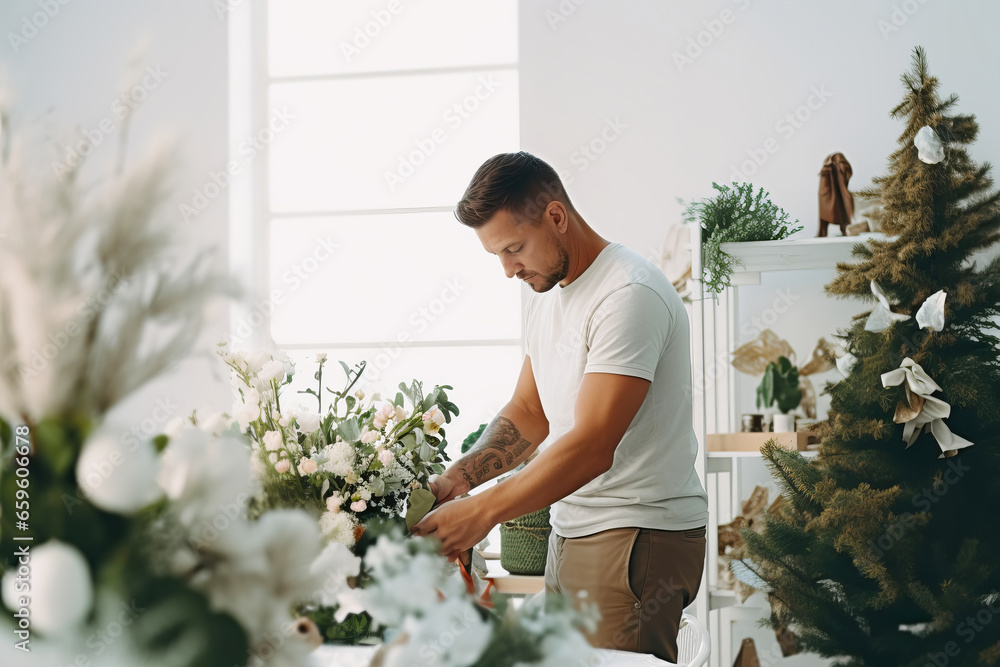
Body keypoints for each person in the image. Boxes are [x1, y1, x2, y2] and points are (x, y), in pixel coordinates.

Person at [411, 151, 708, 662]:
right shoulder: (547, 294)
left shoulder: (628, 294)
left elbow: (593, 445)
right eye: (497, 255)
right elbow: (530, 410)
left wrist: (479, 513)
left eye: (514, 248)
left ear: (556, 216)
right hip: (572, 531)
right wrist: (463, 477)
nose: (508, 270)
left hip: (636, 533)